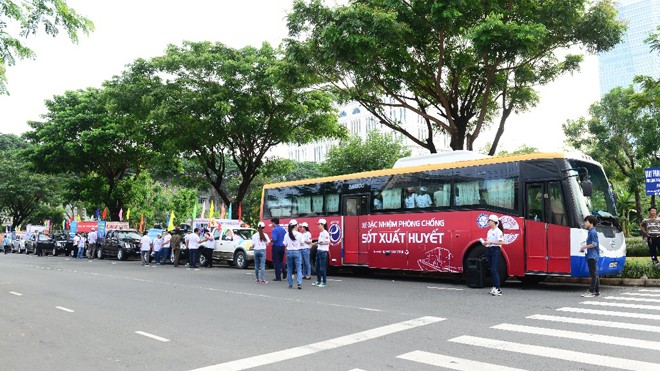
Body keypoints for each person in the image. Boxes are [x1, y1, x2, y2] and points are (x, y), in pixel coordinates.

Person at [481, 214, 504, 296]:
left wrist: (490, 242)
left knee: (494, 269)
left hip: (496, 250)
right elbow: (488, 241)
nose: (488, 222)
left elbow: (502, 242)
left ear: (494, 222)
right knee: (491, 269)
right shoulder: (489, 231)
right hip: (489, 250)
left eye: (489, 220)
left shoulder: (498, 231)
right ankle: (494, 287)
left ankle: (498, 289)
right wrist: (485, 243)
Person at [580, 215, 601, 297]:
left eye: (586, 221)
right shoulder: (591, 231)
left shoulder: (592, 232)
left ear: (591, 223)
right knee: (595, 274)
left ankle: (591, 291)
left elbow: (594, 244)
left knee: (593, 274)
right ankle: (596, 291)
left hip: (592, 255)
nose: (585, 223)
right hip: (591, 255)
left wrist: (584, 247)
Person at [284, 219, 304, 289]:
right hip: (297, 252)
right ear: (295, 226)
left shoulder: (287, 234)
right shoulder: (299, 234)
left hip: (289, 252)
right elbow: (302, 243)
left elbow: (284, 244)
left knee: (289, 268)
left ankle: (290, 283)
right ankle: (299, 283)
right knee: (299, 268)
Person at [313, 219, 330, 287]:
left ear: (323, 225)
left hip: (323, 252)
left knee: (322, 268)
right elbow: (320, 242)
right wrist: (316, 243)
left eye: (319, 224)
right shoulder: (321, 233)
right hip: (319, 251)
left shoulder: (325, 233)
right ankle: (318, 280)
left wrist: (321, 243)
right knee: (317, 267)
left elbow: (328, 241)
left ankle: (324, 282)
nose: (318, 226)